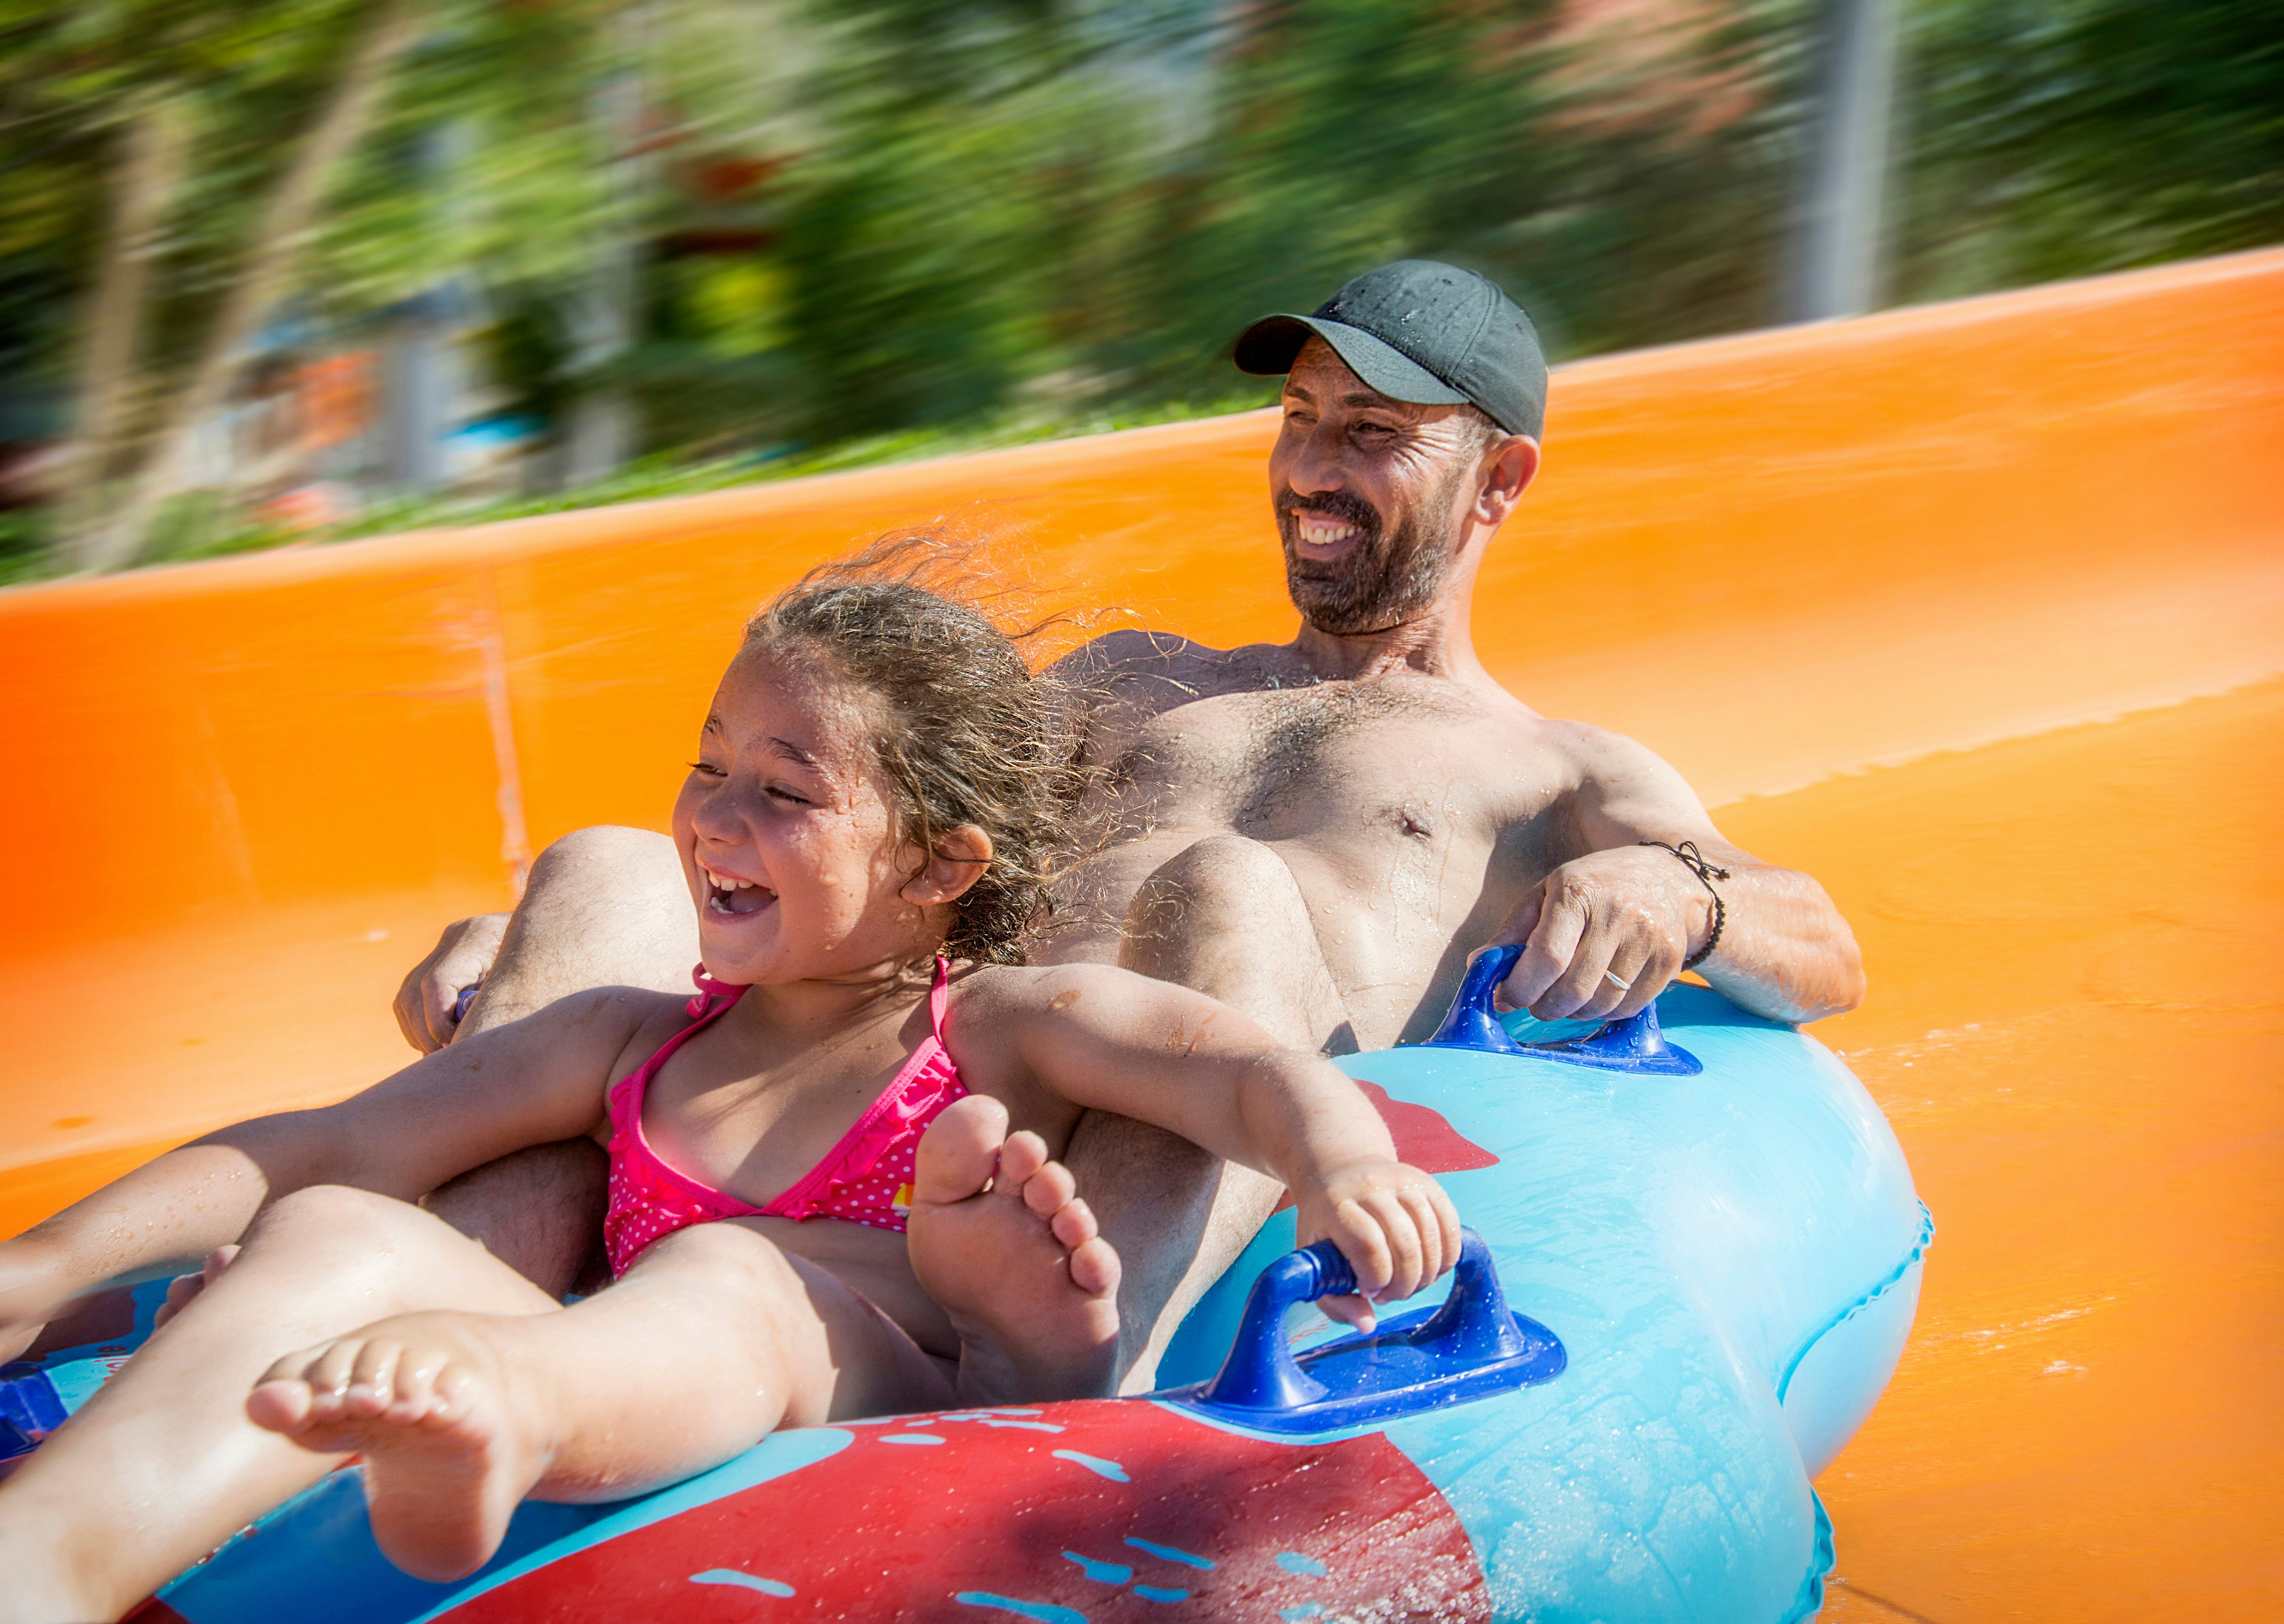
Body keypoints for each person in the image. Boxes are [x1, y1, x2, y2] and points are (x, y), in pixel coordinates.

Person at [398, 259, 1866, 1390]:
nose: (1310, 469)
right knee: (602, 866)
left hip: (1085, 1213)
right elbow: (850, 827)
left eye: (1373, 434)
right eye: (1296, 421)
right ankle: (423, 1318)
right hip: (897, 1112)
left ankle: (1060, 1389)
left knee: (1223, 884)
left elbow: (1822, 939)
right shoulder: (1129, 678)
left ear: (1503, 479)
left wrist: (1688, 899)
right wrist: (578, 941)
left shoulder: (1548, 773)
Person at [0, 564, 1459, 1622]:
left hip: (882, 1395)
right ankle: (52, 1560)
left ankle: (512, 1410)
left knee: (732, 1273)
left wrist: (1345, 1167)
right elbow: (325, 1140)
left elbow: (1246, 1070)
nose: (713, 817)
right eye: (708, 767)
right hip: (627, 1365)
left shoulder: (998, 1029)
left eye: (787, 790)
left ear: (942, 869)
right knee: (338, 1234)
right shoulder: (630, 1043)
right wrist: (42, 1264)